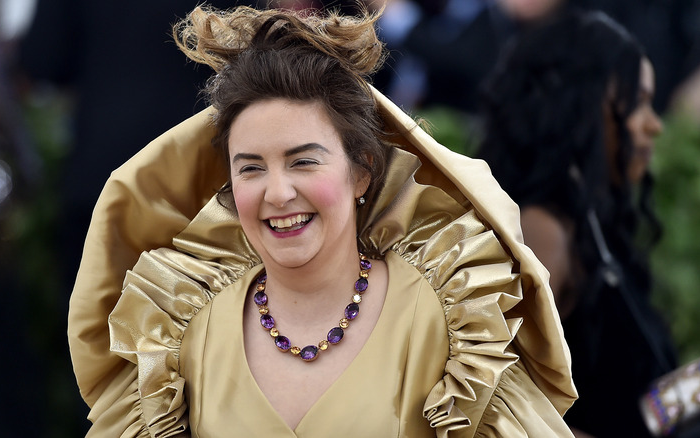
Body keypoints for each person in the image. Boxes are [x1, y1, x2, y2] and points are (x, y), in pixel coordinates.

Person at [68, 5, 577, 436]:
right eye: (251, 168)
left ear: (362, 172)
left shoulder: (449, 323)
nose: (278, 193)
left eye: (303, 161)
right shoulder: (180, 335)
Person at [478, 9, 678, 437]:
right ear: (579, 105)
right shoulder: (539, 230)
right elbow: (492, 409)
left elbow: (635, 405)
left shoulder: (589, 225)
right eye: (637, 102)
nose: (653, 125)